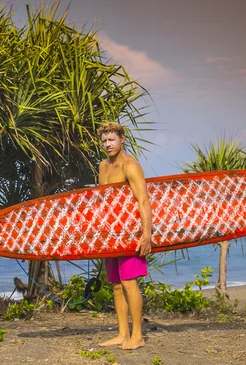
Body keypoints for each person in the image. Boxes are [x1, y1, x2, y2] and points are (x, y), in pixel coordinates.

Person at [96, 122, 152, 350]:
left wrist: (147, 233)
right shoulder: (102, 166)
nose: (108, 145)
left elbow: (143, 200)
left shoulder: (130, 165)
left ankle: (137, 336)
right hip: (111, 233)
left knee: (129, 282)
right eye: (104, 141)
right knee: (116, 284)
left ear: (122, 139)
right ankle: (122, 333)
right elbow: (102, 201)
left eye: (112, 140)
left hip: (131, 231)